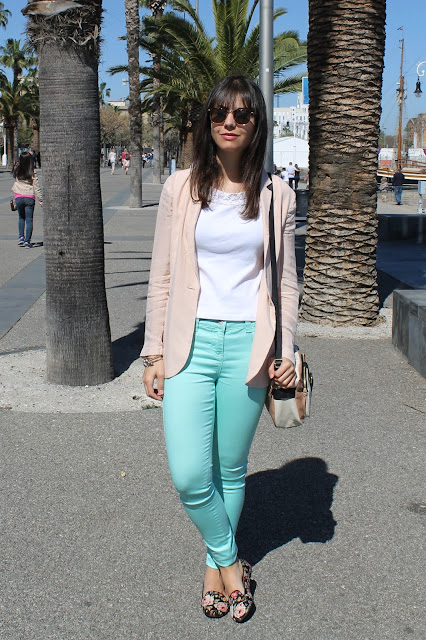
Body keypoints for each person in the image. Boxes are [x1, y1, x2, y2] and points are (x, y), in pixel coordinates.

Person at [141, 76, 298, 623]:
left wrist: (286, 349)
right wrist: (153, 352)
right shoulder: (181, 188)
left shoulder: (277, 194)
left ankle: (213, 571)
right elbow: (161, 275)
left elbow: (285, 284)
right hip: (191, 342)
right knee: (189, 474)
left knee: (230, 469)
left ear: (257, 125)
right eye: (219, 114)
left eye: (241, 115)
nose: (229, 123)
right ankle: (232, 562)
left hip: (249, 345)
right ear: (207, 121)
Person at [11, 151, 43, 248]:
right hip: (29, 197)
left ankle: (21, 237)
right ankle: (27, 242)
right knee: (29, 220)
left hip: (18, 197)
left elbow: (16, 164)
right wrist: (41, 200)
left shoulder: (17, 170)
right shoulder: (32, 171)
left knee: (21, 218)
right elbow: (36, 187)